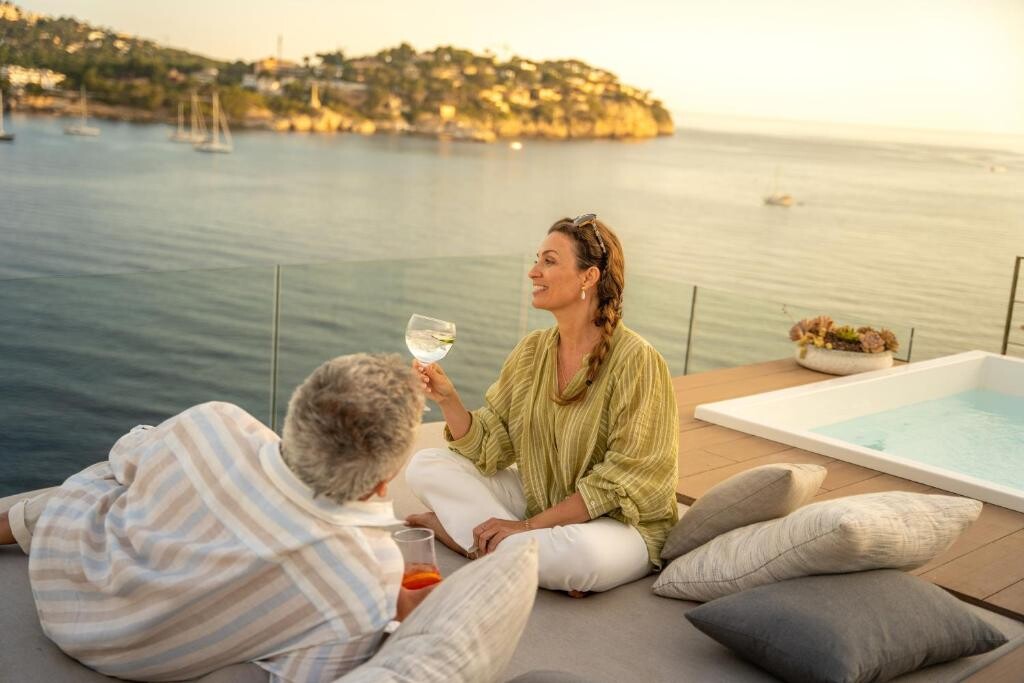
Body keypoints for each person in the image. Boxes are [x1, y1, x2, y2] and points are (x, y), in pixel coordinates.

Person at [0, 353, 431, 682]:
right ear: (386, 476)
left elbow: (124, 458)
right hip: (129, 655)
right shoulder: (369, 576)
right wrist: (390, 616)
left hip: (61, 575)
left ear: (297, 411)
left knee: (116, 475)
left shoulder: (217, 423)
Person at [406, 214, 679, 595]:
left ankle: (466, 538)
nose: (533, 271)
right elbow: (492, 445)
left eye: (549, 261)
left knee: (582, 557)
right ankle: (521, 554)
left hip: (620, 524)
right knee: (426, 465)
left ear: (588, 277)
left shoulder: (637, 360)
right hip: (543, 498)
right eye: (537, 260)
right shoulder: (532, 350)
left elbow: (623, 480)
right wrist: (448, 399)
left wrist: (527, 526)